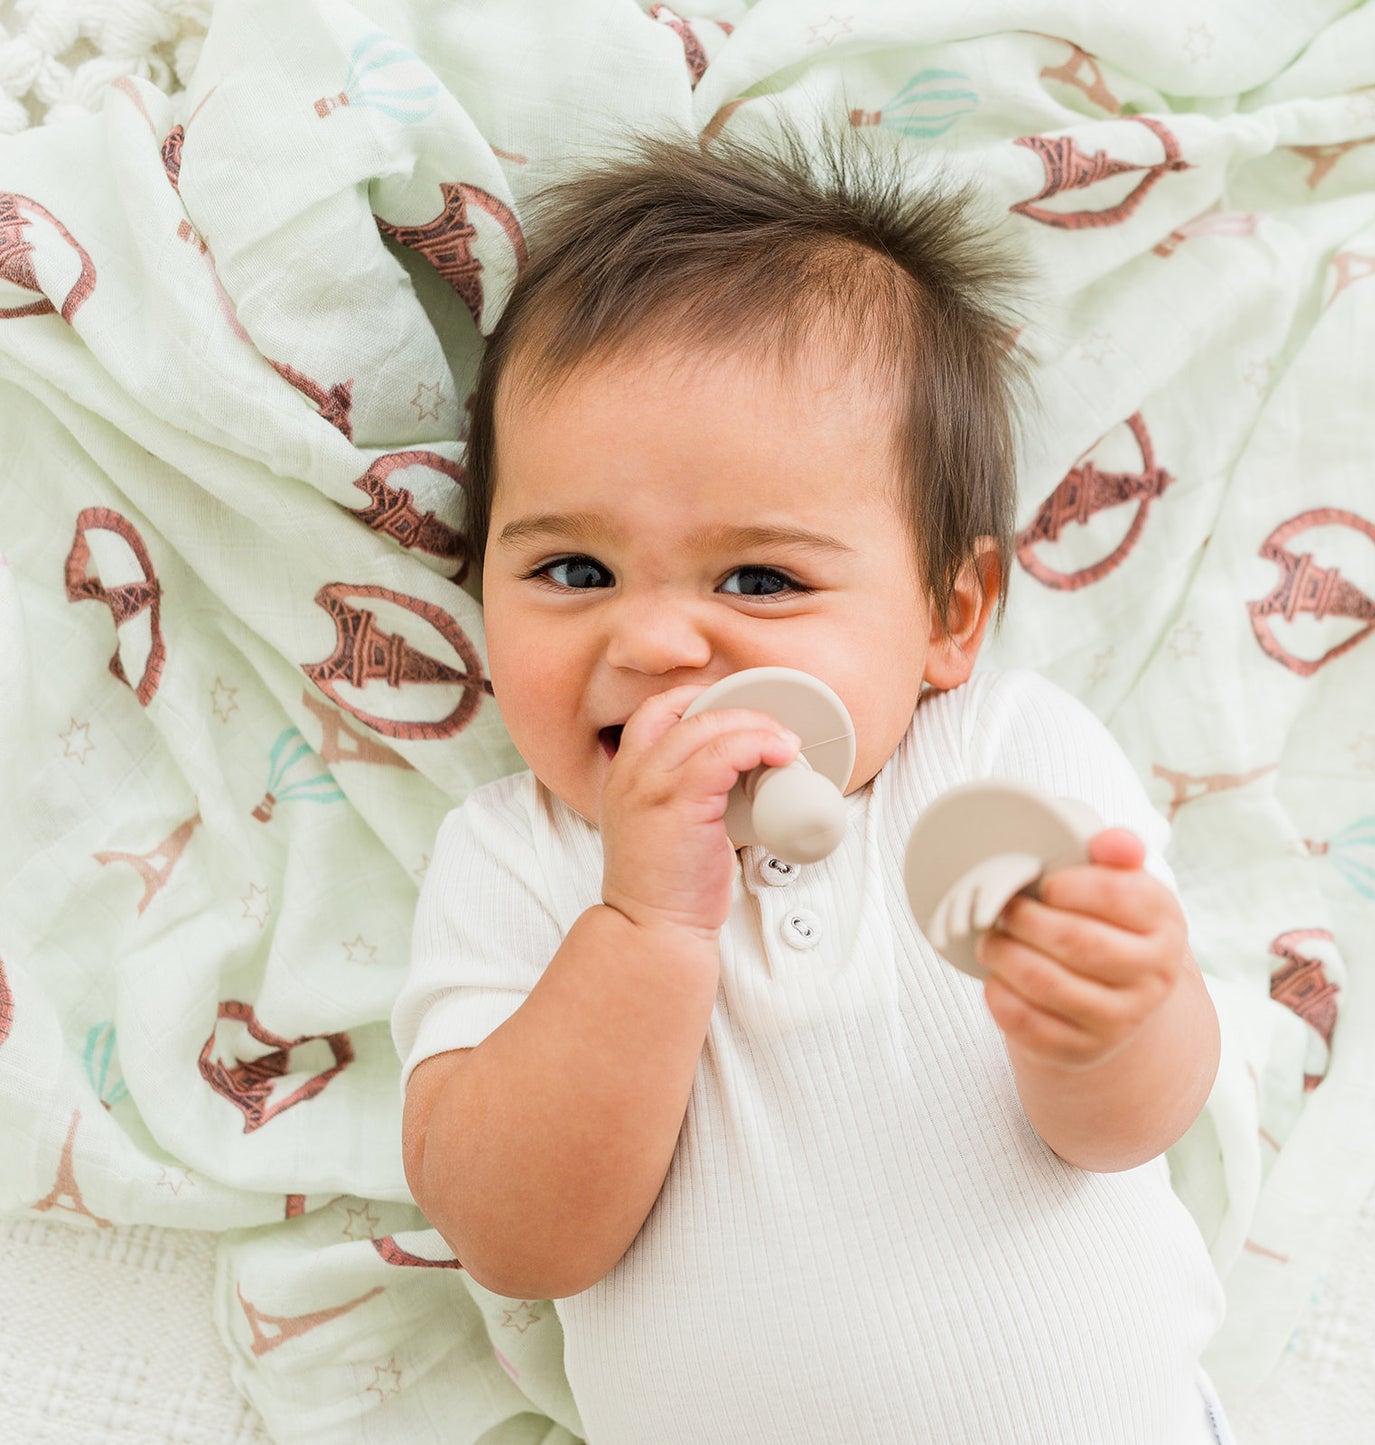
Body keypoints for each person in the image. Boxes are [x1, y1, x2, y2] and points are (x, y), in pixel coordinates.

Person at [392, 124, 1232, 1444]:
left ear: (951, 614)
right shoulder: (518, 857)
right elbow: (515, 1238)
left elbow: (1128, 1129)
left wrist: (1112, 1014)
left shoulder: (1003, 757)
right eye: (571, 571)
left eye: (760, 580)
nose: (656, 641)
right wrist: (643, 927)